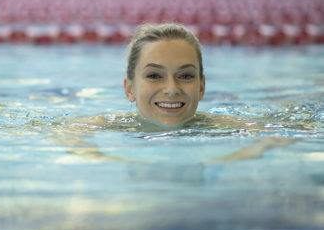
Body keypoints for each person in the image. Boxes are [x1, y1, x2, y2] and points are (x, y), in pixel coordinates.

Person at [49, 23, 292, 162]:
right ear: (129, 88)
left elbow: (276, 136)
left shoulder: (218, 126)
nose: (172, 90)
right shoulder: (116, 125)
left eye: (185, 76)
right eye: (154, 76)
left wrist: (224, 163)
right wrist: (103, 160)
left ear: (201, 87)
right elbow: (66, 132)